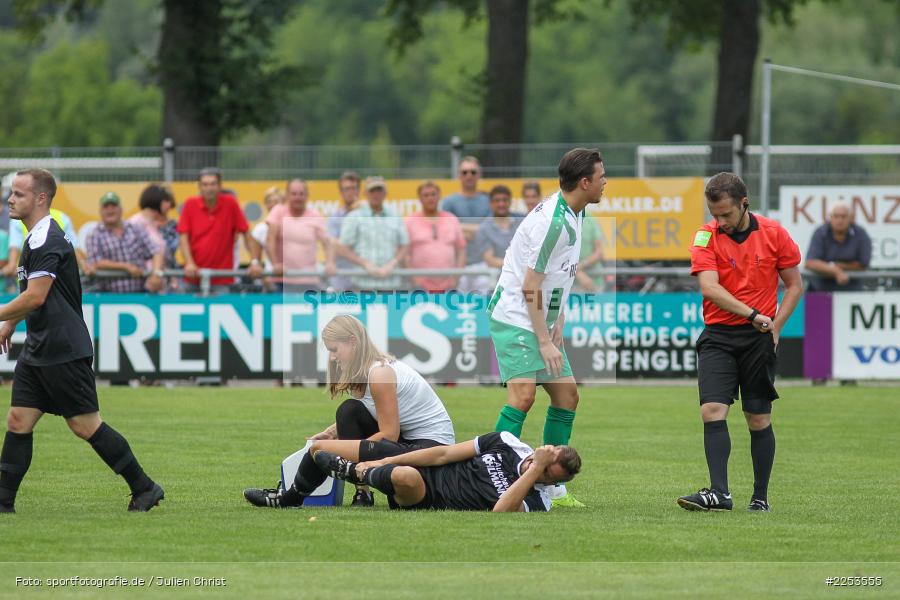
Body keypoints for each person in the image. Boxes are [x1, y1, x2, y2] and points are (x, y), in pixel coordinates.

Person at [0, 169, 163, 513]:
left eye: (18, 194)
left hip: (63, 349)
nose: (10, 200)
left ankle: (145, 487)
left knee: (85, 425)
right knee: (18, 420)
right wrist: (10, 323)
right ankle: (3, 502)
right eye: (11, 193)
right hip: (40, 347)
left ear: (40, 198)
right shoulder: (35, 237)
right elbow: (35, 295)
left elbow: (36, 297)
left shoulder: (47, 240)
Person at [488, 148, 607, 509]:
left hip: (539, 317)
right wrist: (543, 339)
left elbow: (560, 275)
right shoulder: (552, 224)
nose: (605, 182)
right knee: (523, 398)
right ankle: (490, 475)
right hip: (516, 316)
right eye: (601, 176)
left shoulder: (576, 212)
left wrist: (559, 320)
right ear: (584, 182)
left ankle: (552, 488)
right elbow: (529, 286)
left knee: (566, 396)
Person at [680, 172, 803, 513]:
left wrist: (776, 327)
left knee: (758, 418)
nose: (720, 221)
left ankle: (760, 498)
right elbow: (709, 288)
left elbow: (795, 285)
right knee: (711, 411)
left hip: (758, 339)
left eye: (726, 214)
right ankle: (720, 493)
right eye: (714, 214)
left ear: (744, 203)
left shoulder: (774, 233)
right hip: (718, 336)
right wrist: (753, 314)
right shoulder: (706, 236)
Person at [243, 314, 455, 509]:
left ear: (353, 341)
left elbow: (389, 434)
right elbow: (372, 415)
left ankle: (289, 498)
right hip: (409, 441)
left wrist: (349, 450)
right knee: (348, 411)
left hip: (429, 449)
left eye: (334, 349)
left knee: (321, 449)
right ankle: (362, 493)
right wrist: (332, 433)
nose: (332, 357)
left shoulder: (379, 374)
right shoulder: (365, 371)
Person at [311, 432, 581, 512]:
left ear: (551, 483)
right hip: (428, 467)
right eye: (544, 462)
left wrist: (535, 471)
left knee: (405, 476)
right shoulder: (507, 442)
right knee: (317, 448)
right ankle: (293, 495)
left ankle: (354, 473)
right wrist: (385, 460)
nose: (539, 468)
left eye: (547, 474)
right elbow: (444, 454)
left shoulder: (538, 501)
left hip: (427, 496)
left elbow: (501, 511)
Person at [177, 167, 263, 293]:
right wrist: (189, 263)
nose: (209, 188)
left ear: (220, 186)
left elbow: (247, 234)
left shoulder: (230, 204)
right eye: (205, 184)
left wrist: (255, 262)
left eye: (213, 184)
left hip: (222, 278)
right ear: (199, 187)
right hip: (193, 277)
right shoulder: (190, 204)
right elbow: (183, 237)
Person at [337, 176, 409, 290]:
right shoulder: (354, 216)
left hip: (391, 284)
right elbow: (343, 248)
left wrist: (392, 264)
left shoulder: (395, 215)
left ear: (385, 193)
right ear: (365, 193)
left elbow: (404, 245)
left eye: (379, 190)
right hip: (363, 284)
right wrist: (365, 264)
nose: (376, 194)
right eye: (372, 191)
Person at [87, 192, 165, 293]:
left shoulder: (135, 228)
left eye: (113, 206)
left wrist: (156, 274)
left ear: (121, 209)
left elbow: (156, 252)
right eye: (106, 207)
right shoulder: (94, 234)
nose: (110, 210)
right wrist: (126, 267)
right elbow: (96, 262)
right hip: (107, 295)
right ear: (100, 211)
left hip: (140, 293)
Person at [266, 179, 333, 291]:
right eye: (294, 194)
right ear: (287, 195)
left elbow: (327, 242)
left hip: (308, 281)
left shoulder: (315, 216)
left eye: (301, 194)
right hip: (281, 280)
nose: (298, 197)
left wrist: (330, 262)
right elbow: (270, 239)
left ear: (307, 196)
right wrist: (275, 264)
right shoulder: (278, 211)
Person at [404, 181, 465, 292]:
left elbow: (461, 250)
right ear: (420, 198)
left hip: (449, 287)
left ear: (439, 196)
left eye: (433, 194)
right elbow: (405, 254)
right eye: (426, 195)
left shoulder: (451, 219)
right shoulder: (410, 221)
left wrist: (456, 278)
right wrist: (414, 279)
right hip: (420, 288)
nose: (430, 198)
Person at [441, 157, 491, 291]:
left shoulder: (488, 200)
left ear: (479, 175)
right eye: (465, 172)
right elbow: (444, 229)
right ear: (459, 175)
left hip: (483, 263)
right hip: (456, 264)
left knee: (484, 302)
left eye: (473, 172)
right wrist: (477, 229)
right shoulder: (449, 202)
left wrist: (459, 228)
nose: (469, 175)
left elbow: (490, 229)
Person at [804, 202, 872, 292]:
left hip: (852, 291)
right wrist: (836, 271)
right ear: (830, 217)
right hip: (820, 291)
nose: (840, 220)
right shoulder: (821, 232)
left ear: (851, 218)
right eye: (836, 216)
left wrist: (834, 265)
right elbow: (810, 262)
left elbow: (863, 264)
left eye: (843, 216)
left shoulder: (860, 234)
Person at [469, 185, 523, 293]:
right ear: (490, 204)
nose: (501, 204)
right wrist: (516, 266)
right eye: (497, 200)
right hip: (498, 279)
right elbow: (490, 260)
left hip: (522, 276)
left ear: (510, 202)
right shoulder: (484, 228)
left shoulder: (522, 223)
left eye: (504, 200)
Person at [327, 172, 362, 291]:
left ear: (359, 191)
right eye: (346, 189)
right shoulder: (335, 218)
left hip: (366, 279)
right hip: (342, 279)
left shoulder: (369, 214)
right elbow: (333, 244)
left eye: (353, 188)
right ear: (341, 192)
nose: (350, 192)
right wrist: (330, 262)